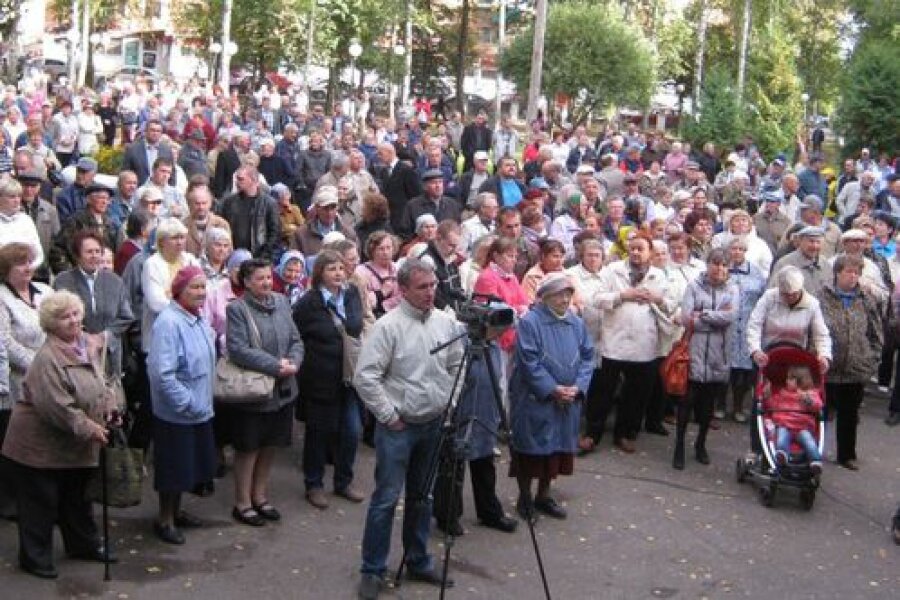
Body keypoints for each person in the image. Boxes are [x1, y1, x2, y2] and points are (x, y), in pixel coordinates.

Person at [354, 259, 464, 599]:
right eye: (422, 287)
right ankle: (372, 569)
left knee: (422, 497)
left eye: (433, 285)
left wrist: (449, 404)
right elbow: (365, 376)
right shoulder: (387, 327)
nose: (431, 292)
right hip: (398, 429)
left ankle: (418, 560)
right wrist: (388, 416)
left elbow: (458, 363)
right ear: (403, 290)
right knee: (386, 500)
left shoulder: (447, 323)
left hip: (433, 424)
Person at [1, 290, 120, 579]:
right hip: (37, 446)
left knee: (77, 498)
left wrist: (111, 408)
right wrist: (90, 428)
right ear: (51, 324)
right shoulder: (47, 358)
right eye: (64, 317)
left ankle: (83, 545)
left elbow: (101, 383)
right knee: (40, 503)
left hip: (74, 444)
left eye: (76, 314)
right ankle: (35, 557)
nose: (73, 321)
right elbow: (57, 407)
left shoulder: (86, 345)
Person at [508, 273, 594, 521]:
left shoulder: (576, 323)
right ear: (545, 297)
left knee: (555, 450)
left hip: (567, 401)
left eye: (568, 293)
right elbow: (528, 361)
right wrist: (552, 389)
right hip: (537, 400)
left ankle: (543, 495)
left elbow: (588, 356)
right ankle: (524, 497)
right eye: (559, 294)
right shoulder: (530, 322)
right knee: (530, 450)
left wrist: (578, 387)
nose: (565, 299)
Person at [225, 258, 303, 526]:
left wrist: (294, 362)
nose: (267, 283)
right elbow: (238, 349)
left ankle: (260, 496)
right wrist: (274, 366)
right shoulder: (237, 309)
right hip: (255, 390)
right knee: (249, 447)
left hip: (283, 389)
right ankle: (243, 502)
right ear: (246, 282)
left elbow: (295, 338)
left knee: (271, 444)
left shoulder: (281, 302)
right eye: (260, 279)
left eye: (269, 277)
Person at [582, 232, 673, 454]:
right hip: (614, 342)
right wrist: (623, 295)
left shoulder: (659, 275)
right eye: (632, 248)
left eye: (641, 248)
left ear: (650, 252)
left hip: (644, 344)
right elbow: (596, 298)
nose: (635, 252)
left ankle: (625, 434)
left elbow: (672, 304)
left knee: (636, 394)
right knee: (602, 392)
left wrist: (656, 299)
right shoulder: (613, 271)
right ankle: (592, 434)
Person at [146, 266, 217, 544]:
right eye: (194, 288)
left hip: (198, 408)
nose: (200, 293)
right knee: (173, 469)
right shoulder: (169, 323)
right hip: (177, 413)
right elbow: (162, 374)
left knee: (187, 467)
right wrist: (187, 404)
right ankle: (165, 520)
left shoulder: (197, 319)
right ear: (179, 291)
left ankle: (176, 511)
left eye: (203, 287)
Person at [293, 251, 367, 509]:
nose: (338, 273)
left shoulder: (351, 295)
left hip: (349, 376)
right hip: (320, 377)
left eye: (340, 268)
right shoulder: (308, 303)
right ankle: (313, 484)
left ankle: (343, 481)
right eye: (331, 269)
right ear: (320, 274)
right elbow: (296, 336)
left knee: (351, 430)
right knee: (318, 433)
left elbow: (357, 325)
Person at [673, 248, 738, 470]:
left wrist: (704, 314)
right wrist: (713, 317)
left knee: (707, 406)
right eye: (715, 264)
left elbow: (730, 317)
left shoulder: (733, 288)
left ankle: (701, 444)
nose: (719, 269)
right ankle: (679, 445)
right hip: (694, 351)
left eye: (723, 265)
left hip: (718, 354)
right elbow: (687, 319)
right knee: (686, 402)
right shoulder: (693, 286)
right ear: (708, 265)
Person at [819, 255, 883, 470]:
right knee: (820, 411)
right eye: (849, 272)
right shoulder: (822, 296)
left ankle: (846, 454)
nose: (853, 276)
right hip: (828, 365)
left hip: (856, 366)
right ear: (837, 273)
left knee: (849, 413)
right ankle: (813, 449)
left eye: (857, 273)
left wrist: (871, 358)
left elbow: (876, 332)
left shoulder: (866, 299)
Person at [52, 231, 134, 378]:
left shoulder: (115, 281)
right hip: (75, 352)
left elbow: (126, 316)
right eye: (89, 252)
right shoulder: (63, 281)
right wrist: (85, 338)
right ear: (77, 255)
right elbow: (58, 317)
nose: (95, 255)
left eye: (98, 251)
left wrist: (104, 336)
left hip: (109, 353)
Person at [747, 266, 832, 374]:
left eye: (794, 294)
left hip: (797, 358)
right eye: (785, 295)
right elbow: (754, 324)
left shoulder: (812, 304)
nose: (790, 298)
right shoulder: (769, 297)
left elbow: (821, 334)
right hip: (767, 356)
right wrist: (755, 350)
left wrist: (824, 355)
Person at [726, 237, 767, 423]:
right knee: (726, 368)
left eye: (740, 249)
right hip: (727, 326)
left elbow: (762, 296)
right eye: (733, 248)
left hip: (748, 326)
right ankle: (720, 404)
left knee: (745, 371)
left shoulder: (756, 272)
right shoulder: (722, 269)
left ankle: (738, 406)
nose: (737, 252)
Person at [761, 366, 823, 473]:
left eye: (790, 379)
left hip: (803, 427)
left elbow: (818, 406)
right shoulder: (783, 393)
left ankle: (815, 461)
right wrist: (767, 396)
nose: (786, 381)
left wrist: (808, 400)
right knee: (781, 438)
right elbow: (772, 405)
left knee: (809, 442)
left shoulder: (811, 394)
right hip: (785, 425)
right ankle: (782, 455)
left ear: (800, 381)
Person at [356, 231, 402, 318]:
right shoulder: (361, 272)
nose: (385, 252)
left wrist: (387, 304)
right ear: (372, 251)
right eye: (381, 249)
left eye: (388, 248)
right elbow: (363, 302)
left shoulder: (399, 269)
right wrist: (381, 293)